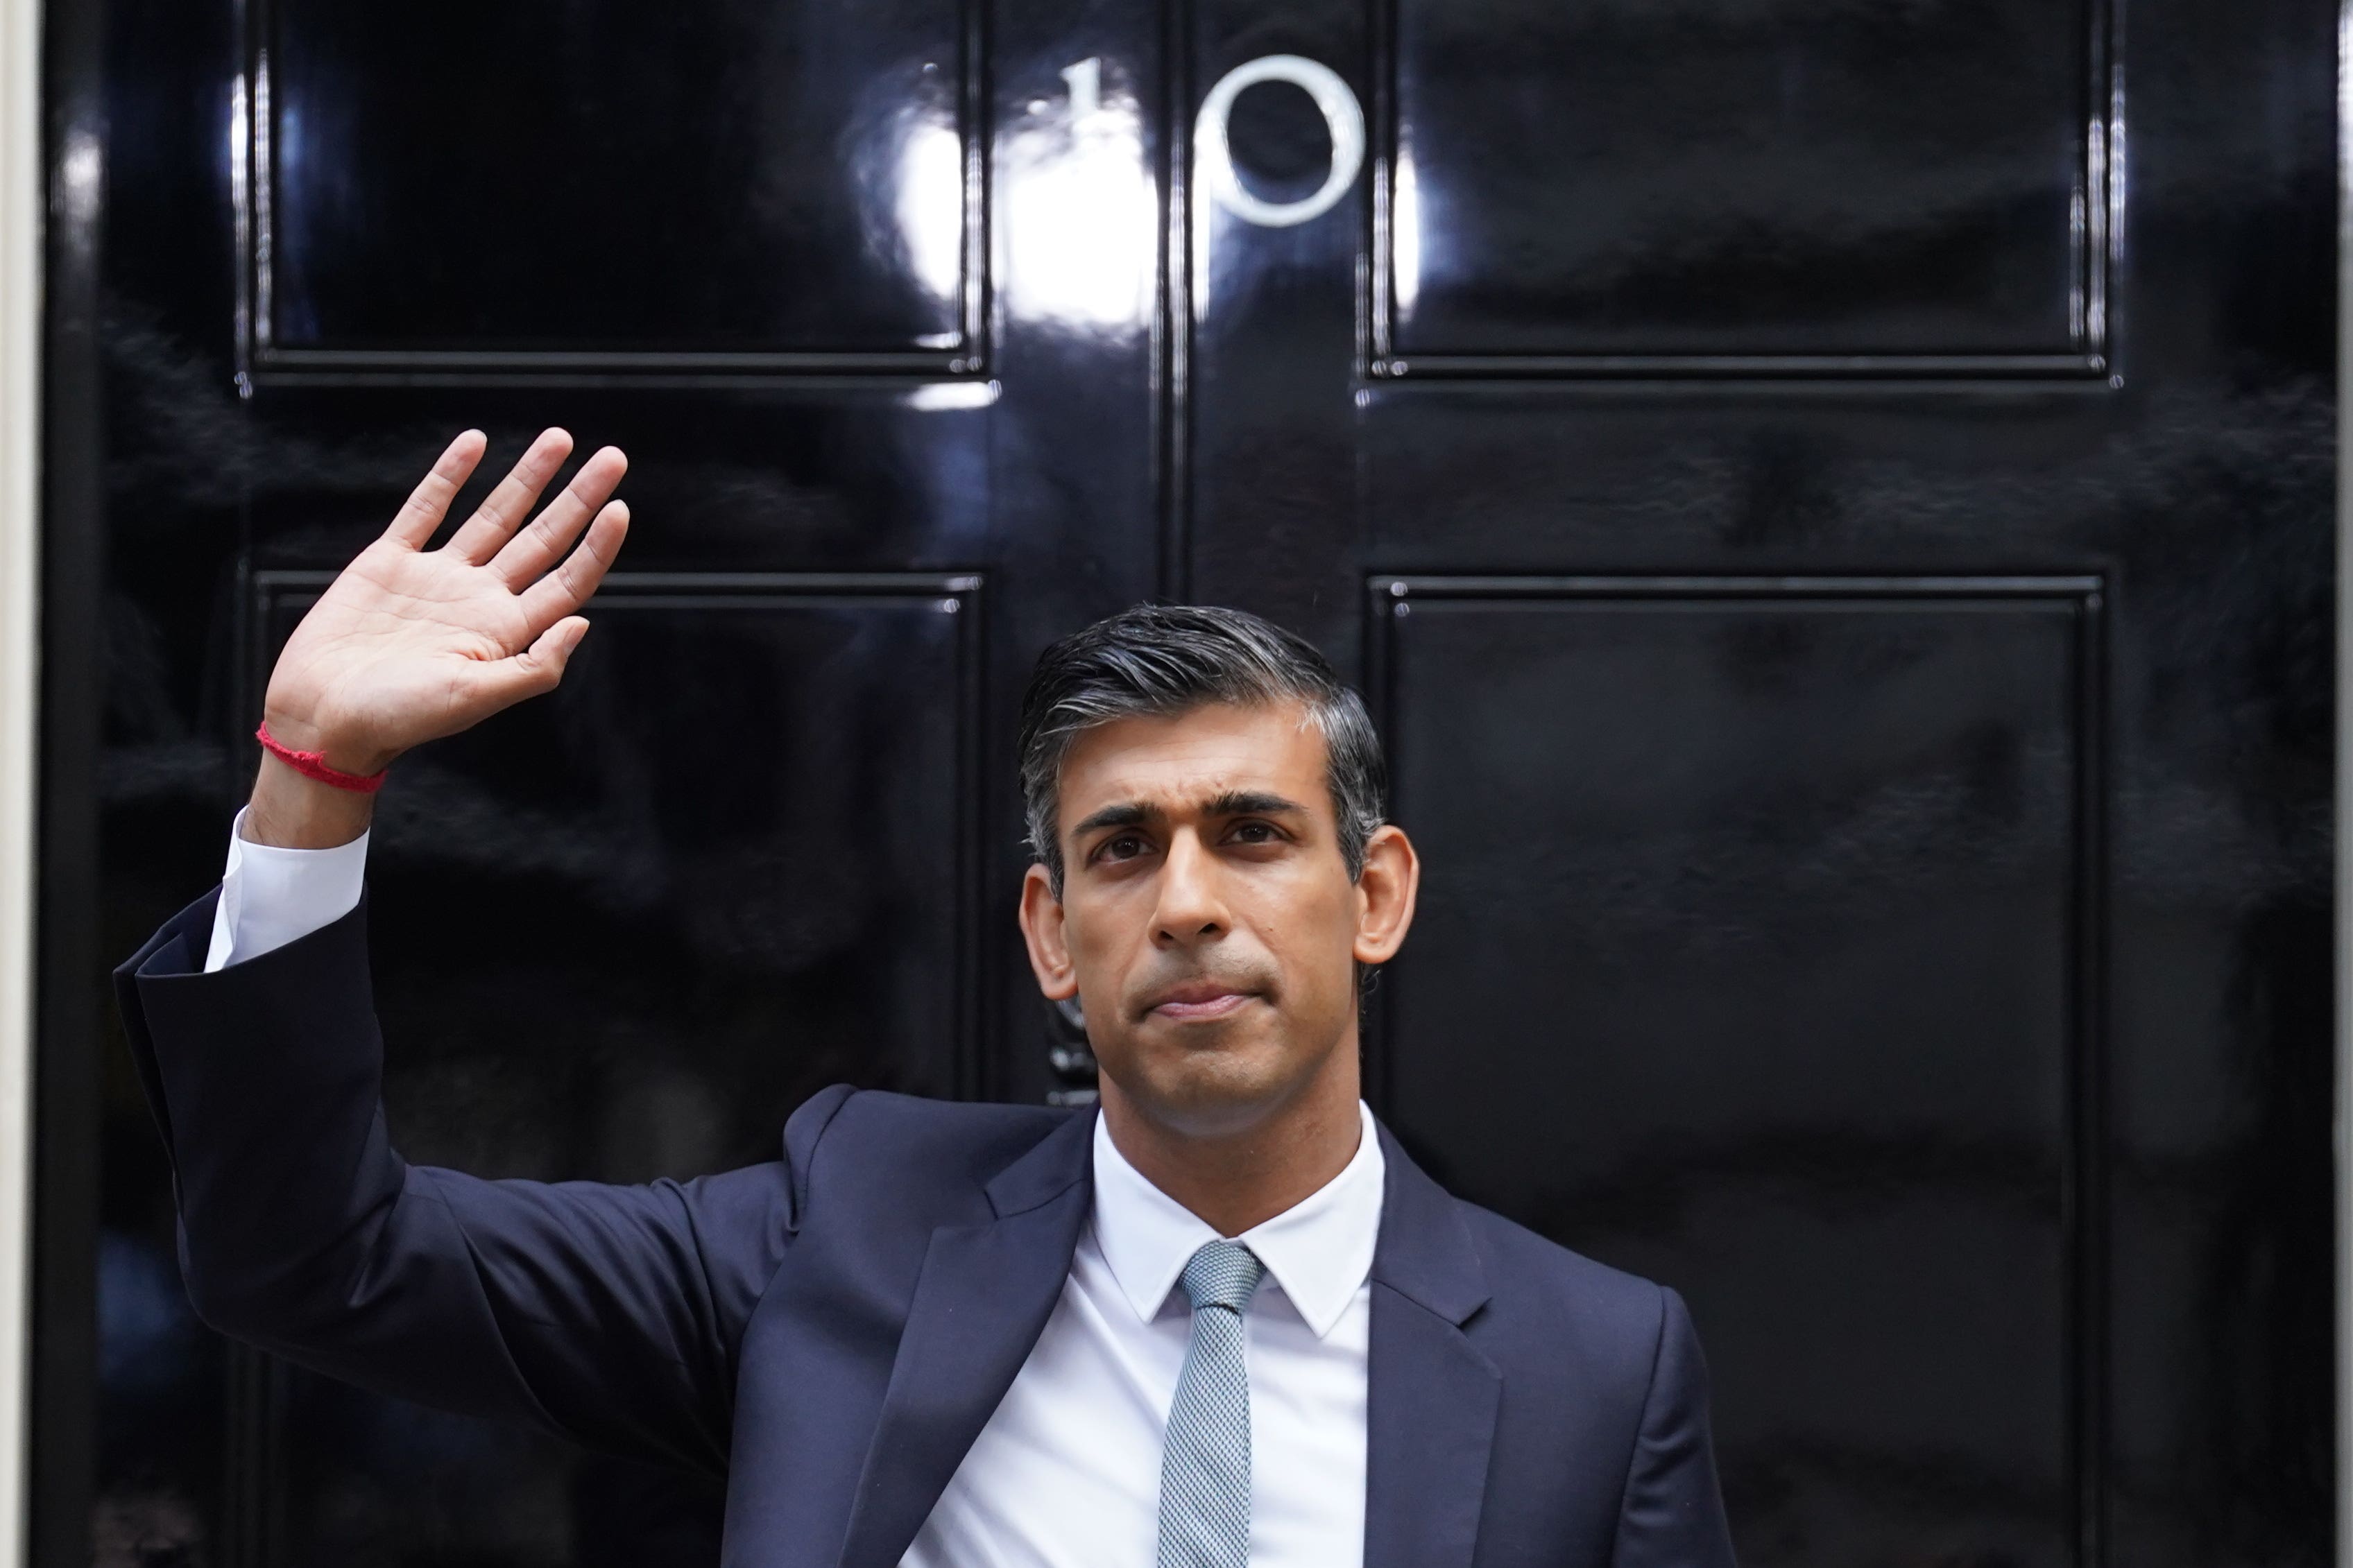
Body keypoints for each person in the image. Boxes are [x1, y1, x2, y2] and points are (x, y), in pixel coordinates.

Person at [115, 429, 1736, 1567]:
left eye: (1251, 836)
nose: (1185, 903)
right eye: (1122, 852)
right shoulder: (847, 1240)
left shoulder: (1591, 1365)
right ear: (1050, 933)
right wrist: (312, 781)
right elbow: (310, 1260)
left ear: (1374, 893)